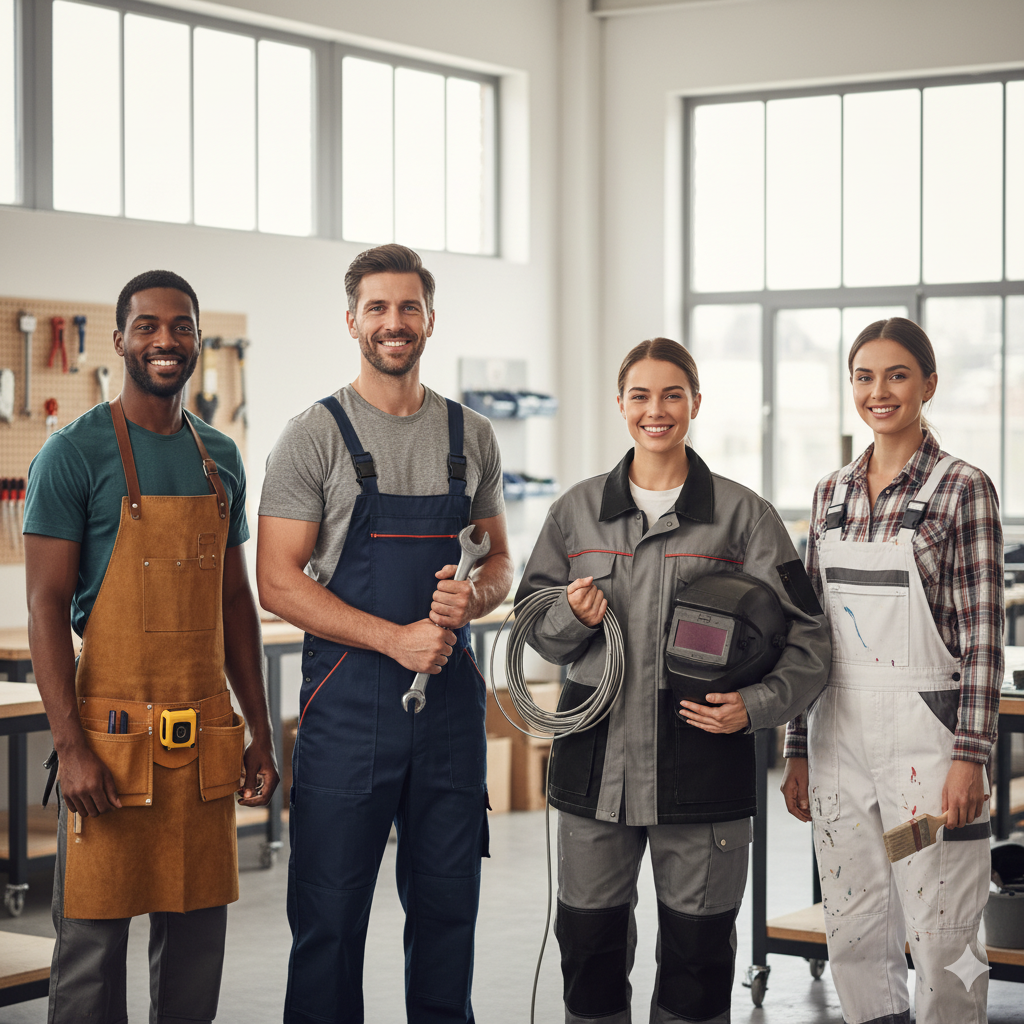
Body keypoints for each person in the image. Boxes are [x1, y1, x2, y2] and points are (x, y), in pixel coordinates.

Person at [516, 337, 830, 1024]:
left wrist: (753, 707)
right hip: (594, 765)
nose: (655, 411)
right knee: (589, 959)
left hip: (703, 765)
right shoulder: (574, 514)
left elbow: (809, 640)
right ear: (621, 404)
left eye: (671, 395)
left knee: (697, 965)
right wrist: (571, 618)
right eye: (640, 396)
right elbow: (532, 629)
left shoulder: (745, 518)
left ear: (694, 403)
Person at [257, 243, 512, 1024]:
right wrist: (394, 640)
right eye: (378, 308)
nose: (394, 323)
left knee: (446, 918)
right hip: (347, 708)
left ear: (430, 319)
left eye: (408, 308)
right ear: (351, 320)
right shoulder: (314, 436)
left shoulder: (472, 436)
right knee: (330, 923)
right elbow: (277, 582)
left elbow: (500, 558)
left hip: (449, 719)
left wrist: (476, 596)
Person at [24, 269, 280, 1024]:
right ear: (120, 342)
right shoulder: (73, 453)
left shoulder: (219, 457)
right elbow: (42, 607)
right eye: (147, 326)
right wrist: (68, 745)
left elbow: (235, 602)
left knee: (197, 950)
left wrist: (260, 729)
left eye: (180, 327)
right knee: (91, 960)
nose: (165, 341)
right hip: (107, 749)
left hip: (202, 745)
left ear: (197, 339)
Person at [780, 317, 1001, 1024]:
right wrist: (795, 749)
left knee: (941, 933)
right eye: (865, 376)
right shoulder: (829, 496)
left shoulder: (963, 489)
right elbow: (808, 634)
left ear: (928, 384)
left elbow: (984, 639)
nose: (880, 392)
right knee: (854, 922)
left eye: (897, 375)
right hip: (838, 744)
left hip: (926, 753)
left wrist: (971, 758)